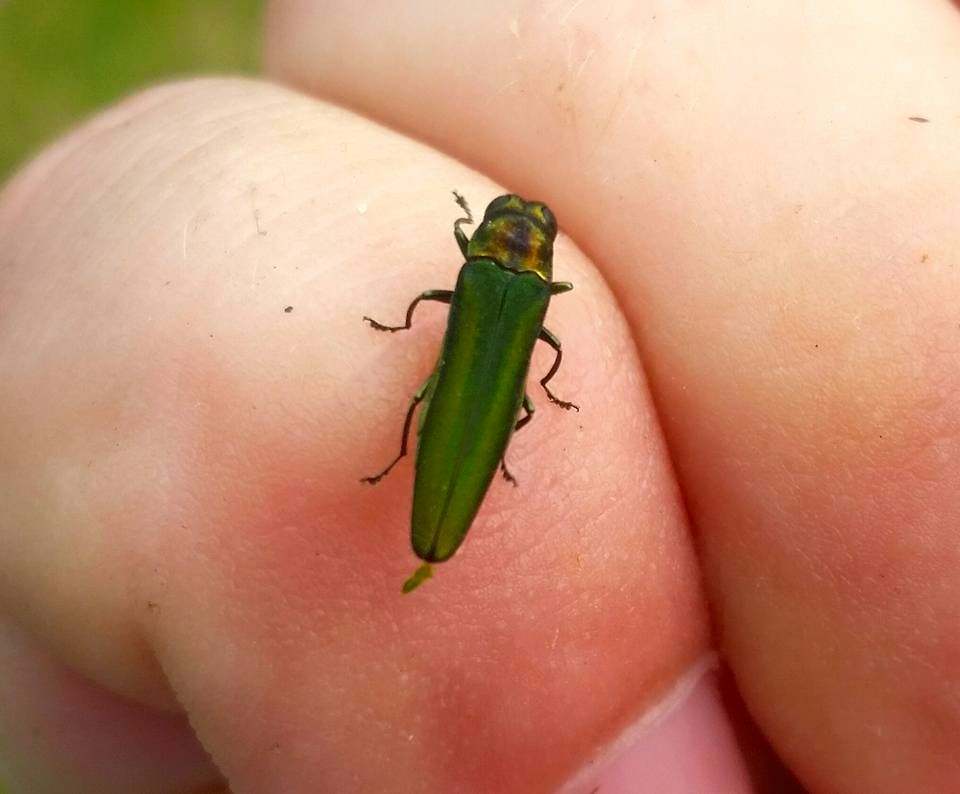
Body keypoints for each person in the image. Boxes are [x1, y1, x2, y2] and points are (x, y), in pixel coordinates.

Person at [1, 3, 957, 792]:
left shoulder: (480, 283)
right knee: (478, 405)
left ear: (488, 248)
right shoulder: (536, 297)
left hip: (466, 390)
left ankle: (419, 469)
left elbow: (439, 310)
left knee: (437, 403)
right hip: (487, 395)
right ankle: (436, 468)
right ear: (527, 258)